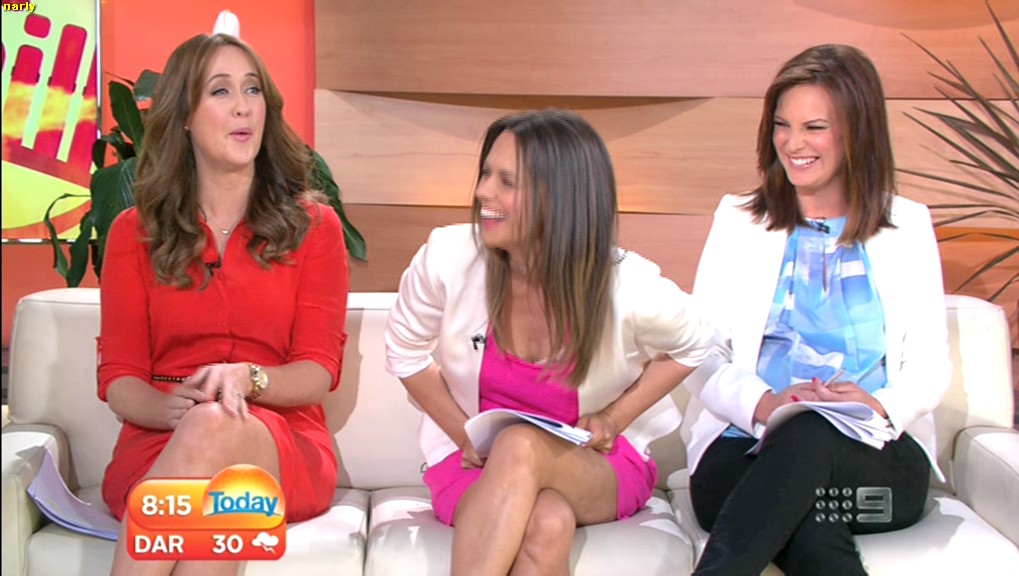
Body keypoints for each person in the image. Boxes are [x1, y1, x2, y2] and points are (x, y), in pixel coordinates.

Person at [385, 109, 714, 575]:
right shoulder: (448, 256)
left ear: (560, 197)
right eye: (485, 174)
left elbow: (696, 343)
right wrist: (464, 434)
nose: (482, 192)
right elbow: (404, 353)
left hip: (592, 463)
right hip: (472, 463)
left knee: (520, 445)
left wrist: (614, 417)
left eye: (506, 181)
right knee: (547, 521)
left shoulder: (628, 285)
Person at [683, 44, 951, 575]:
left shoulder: (908, 226)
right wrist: (765, 404)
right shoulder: (739, 221)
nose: (793, 143)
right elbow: (701, 353)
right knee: (802, 500)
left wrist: (878, 406)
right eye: (782, 126)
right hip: (743, 450)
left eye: (815, 128)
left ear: (858, 132)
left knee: (807, 438)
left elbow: (930, 363)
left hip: (877, 464)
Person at [98, 33, 348, 576]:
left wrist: (247, 380)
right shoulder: (133, 233)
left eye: (252, 90)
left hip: (281, 442)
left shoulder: (315, 228)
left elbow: (316, 372)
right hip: (161, 442)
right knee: (219, 480)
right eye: (220, 91)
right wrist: (170, 411)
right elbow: (120, 377)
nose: (242, 107)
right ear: (185, 116)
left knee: (215, 430)